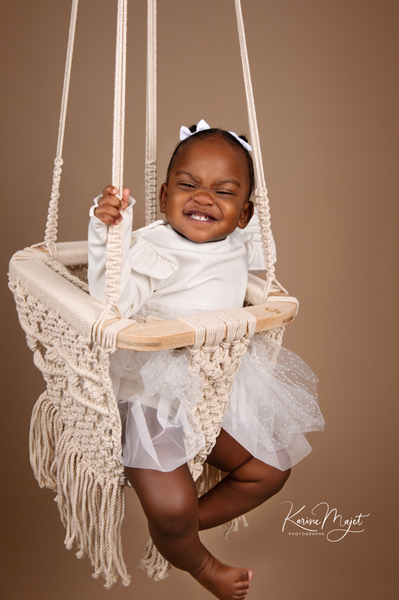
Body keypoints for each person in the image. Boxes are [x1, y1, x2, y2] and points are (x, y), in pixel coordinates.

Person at [88, 120, 324, 600]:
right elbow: (114, 300)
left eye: (223, 191)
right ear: (162, 196)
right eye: (188, 185)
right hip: (154, 390)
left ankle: (178, 531)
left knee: (270, 469)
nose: (203, 198)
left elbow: (255, 221)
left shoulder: (240, 242)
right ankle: (198, 561)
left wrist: (239, 144)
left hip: (220, 382)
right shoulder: (151, 246)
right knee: (171, 510)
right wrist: (107, 233)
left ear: (243, 215)